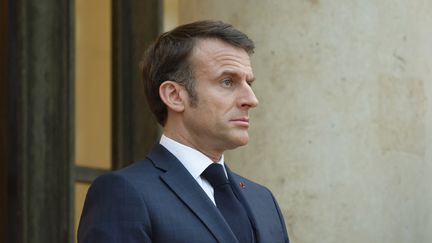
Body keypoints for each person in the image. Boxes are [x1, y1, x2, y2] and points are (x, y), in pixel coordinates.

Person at [78, 20, 289, 243]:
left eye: (249, 83)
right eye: (228, 82)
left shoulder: (263, 200)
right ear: (174, 96)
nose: (251, 100)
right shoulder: (122, 194)